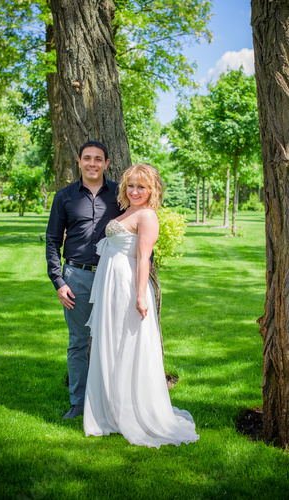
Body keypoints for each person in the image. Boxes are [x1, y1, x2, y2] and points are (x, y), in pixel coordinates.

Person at [83, 163, 199, 448]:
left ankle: (130, 411)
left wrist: (139, 296)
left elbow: (144, 259)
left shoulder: (147, 216)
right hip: (112, 286)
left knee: (127, 345)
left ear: (152, 190)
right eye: (131, 186)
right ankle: (110, 409)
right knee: (111, 343)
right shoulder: (128, 212)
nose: (135, 191)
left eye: (141, 187)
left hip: (127, 287)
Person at [46, 140, 123, 419]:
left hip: (112, 276)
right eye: (87, 158)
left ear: (107, 164)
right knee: (78, 341)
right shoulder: (64, 197)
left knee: (114, 340)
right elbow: (53, 241)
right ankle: (78, 403)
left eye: (98, 159)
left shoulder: (120, 194)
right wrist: (59, 281)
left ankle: (112, 403)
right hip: (75, 277)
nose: (92, 163)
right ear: (78, 161)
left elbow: (137, 231)